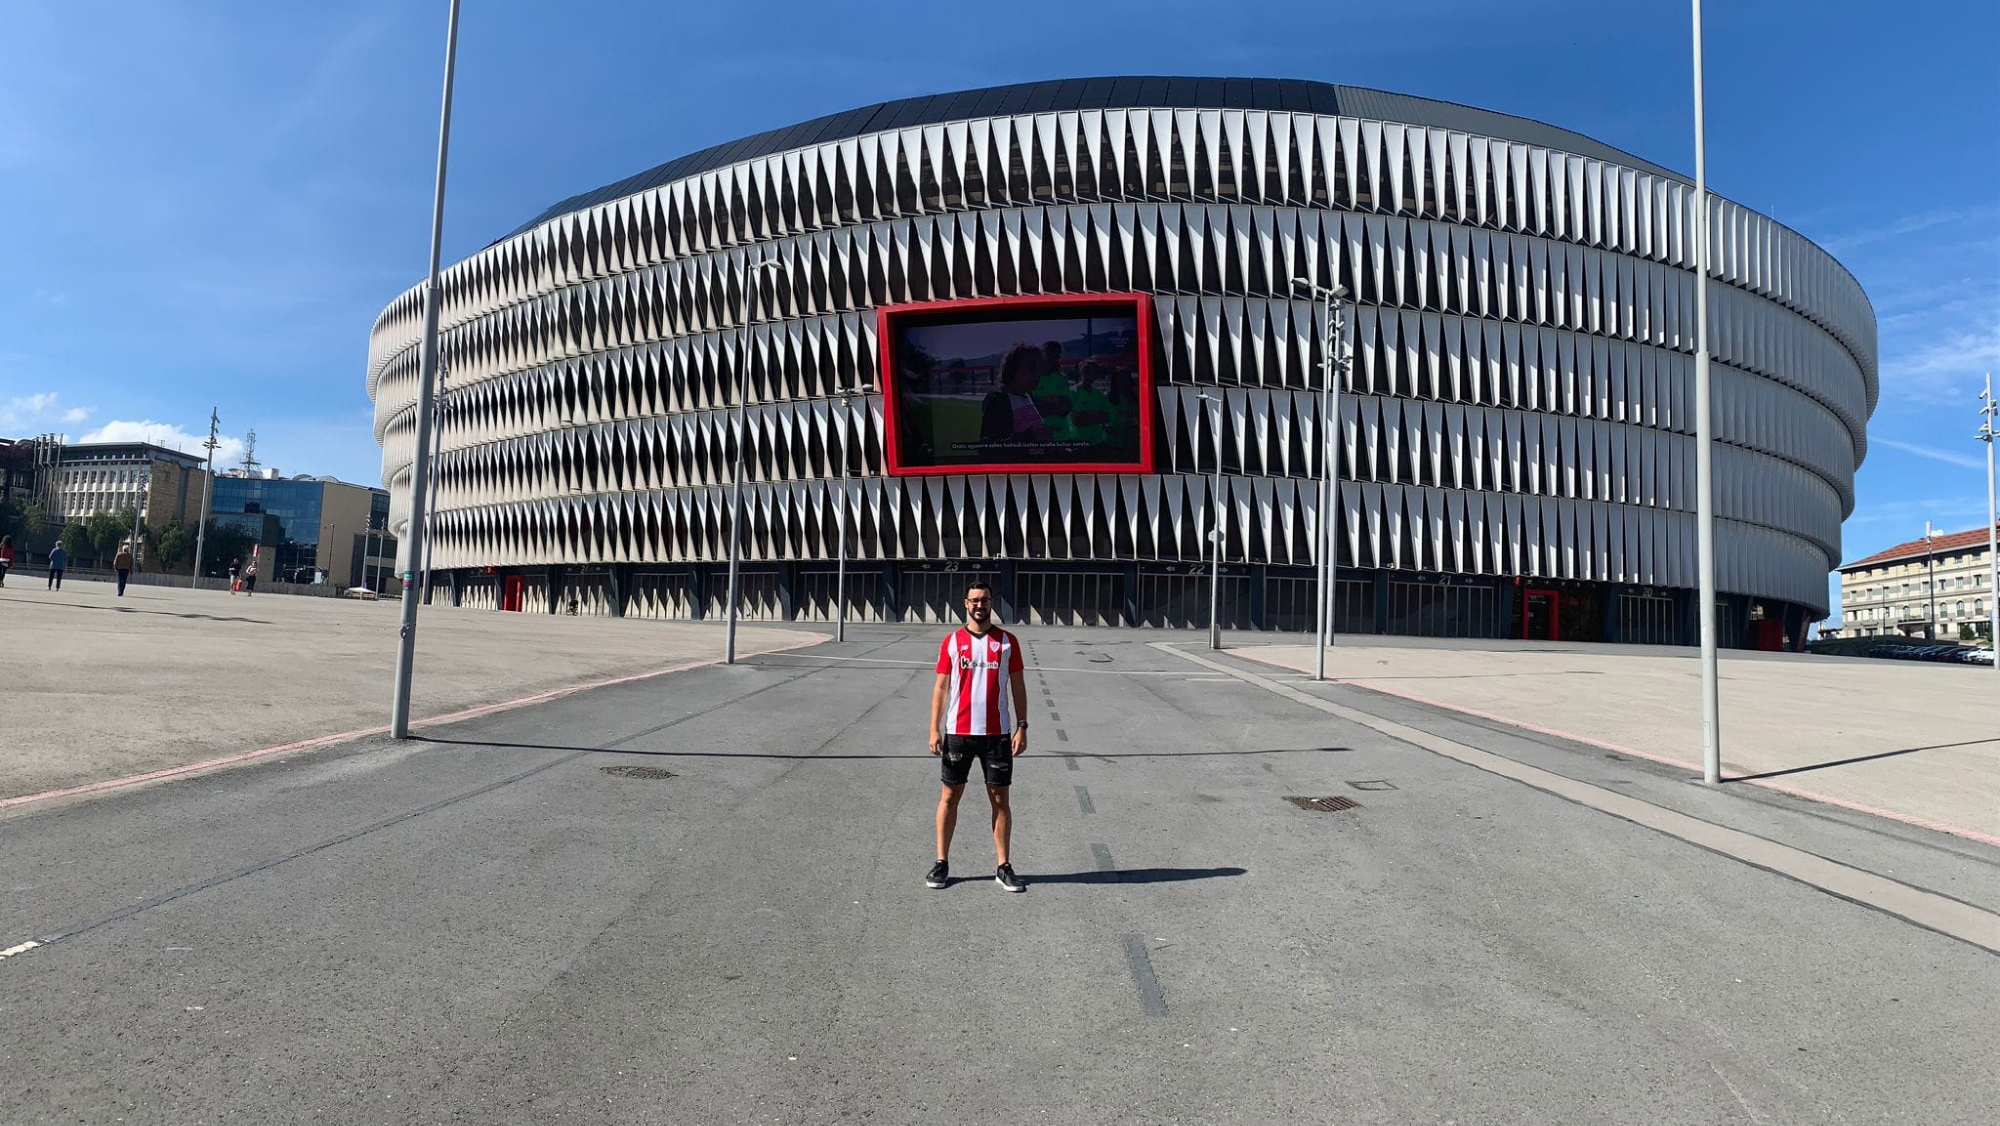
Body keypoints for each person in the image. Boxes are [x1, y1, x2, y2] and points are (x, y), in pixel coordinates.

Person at [926, 580, 1029, 892]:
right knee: (949, 796)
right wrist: (934, 727)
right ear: (965, 604)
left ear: (992, 602)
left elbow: (1018, 686)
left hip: (997, 734)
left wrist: (1022, 725)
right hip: (958, 733)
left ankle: (1003, 865)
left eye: (984, 600)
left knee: (1000, 799)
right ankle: (941, 863)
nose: (979, 605)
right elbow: (941, 687)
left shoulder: (1008, 642)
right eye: (974, 600)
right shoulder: (953, 642)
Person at [979, 345, 1053, 444]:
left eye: (1040, 367)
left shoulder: (1027, 394)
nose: (1038, 373)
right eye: (1031, 368)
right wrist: (1030, 436)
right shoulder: (998, 400)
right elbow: (988, 447)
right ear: (1013, 370)